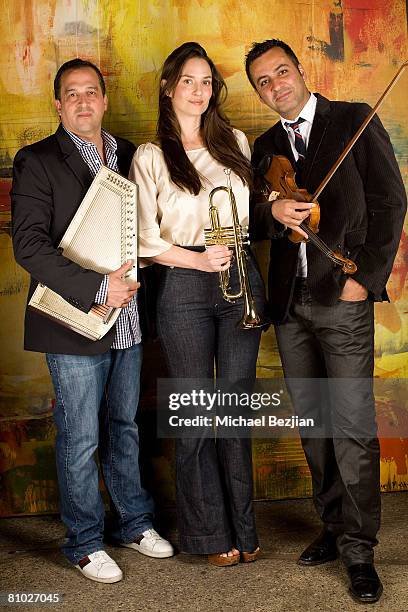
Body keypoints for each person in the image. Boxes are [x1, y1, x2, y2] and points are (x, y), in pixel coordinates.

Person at [245, 39, 406, 603]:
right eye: (263, 81)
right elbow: (253, 224)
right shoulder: (266, 148)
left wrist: (368, 277)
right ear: (258, 92)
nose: (275, 85)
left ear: (300, 70)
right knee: (313, 425)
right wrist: (271, 210)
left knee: (353, 425)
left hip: (343, 295)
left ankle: (360, 549)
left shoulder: (354, 120)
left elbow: (391, 202)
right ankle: (334, 527)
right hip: (290, 306)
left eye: (281, 72)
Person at [11, 58, 174, 584]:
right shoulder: (37, 159)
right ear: (59, 105)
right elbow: (28, 245)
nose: (83, 102)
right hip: (74, 318)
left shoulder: (131, 155)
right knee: (80, 437)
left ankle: (134, 522)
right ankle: (82, 542)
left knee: (124, 426)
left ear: (104, 100)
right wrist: (98, 287)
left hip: (128, 322)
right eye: (71, 94)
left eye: (91, 93)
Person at [129, 42, 266, 566]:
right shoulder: (150, 155)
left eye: (206, 81)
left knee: (234, 412)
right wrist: (197, 262)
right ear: (169, 87)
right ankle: (209, 534)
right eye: (188, 80)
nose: (199, 90)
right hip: (185, 284)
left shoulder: (235, 141)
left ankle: (245, 530)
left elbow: (249, 212)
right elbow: (143, 238)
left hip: (240, 278)